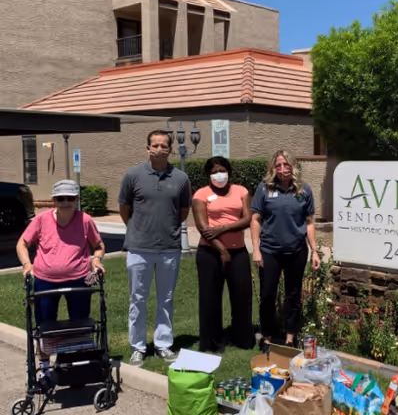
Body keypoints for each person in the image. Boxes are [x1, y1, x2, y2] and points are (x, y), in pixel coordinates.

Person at [118, 130, 191, 365]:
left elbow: (182, 212)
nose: (160, 149)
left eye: (164, 146)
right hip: (139, 249)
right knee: (137, 299)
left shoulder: (181, 178)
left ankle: (163, 344)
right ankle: (138, 346)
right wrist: (139, 230)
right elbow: (124, 209)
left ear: (170, 149)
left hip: (169, 248)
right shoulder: (133, 175)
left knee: (166, 299)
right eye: (155, 145)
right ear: (147, 148)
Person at [250, 150, 320, 349]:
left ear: (293, 167)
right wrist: (256, 249)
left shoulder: (303, 190)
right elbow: (255, 220)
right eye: (278, 165)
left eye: (286, 165)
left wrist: (314, 250)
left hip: (296, 252)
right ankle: (267, 337)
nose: (282, 169)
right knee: (267, 296)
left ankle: (290, 337)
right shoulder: (264, 189)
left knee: (293, 296)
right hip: (269, 251)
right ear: (273, 168)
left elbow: (309, 223)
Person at [16, 180, 105, 324]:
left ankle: (79, 346)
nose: (65, 202)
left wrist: (96, 261)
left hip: (79, 278)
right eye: (60, 198)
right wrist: (27, 264)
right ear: (54, 200)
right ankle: (47, 347)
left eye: (70, 198)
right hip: (44, 279)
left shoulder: (85, 220)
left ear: (77, 199)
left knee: (80, 323)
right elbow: (22, 243)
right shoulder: (41, 219)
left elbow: (99, 245)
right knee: (44, 325)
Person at [192, 156, 253, 353]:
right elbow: (203, 227)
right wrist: (222, 250)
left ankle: (242, 338)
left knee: (242, 296)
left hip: (239, 252)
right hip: (210, 253)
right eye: (214, 172)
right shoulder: (201, 194)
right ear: (208, 175)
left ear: (229, 171)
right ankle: (212, 343)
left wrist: (222, 228)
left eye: (222, 170)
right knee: (210, 298)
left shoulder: (241, 191)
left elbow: (247, 219)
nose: (219, 175)